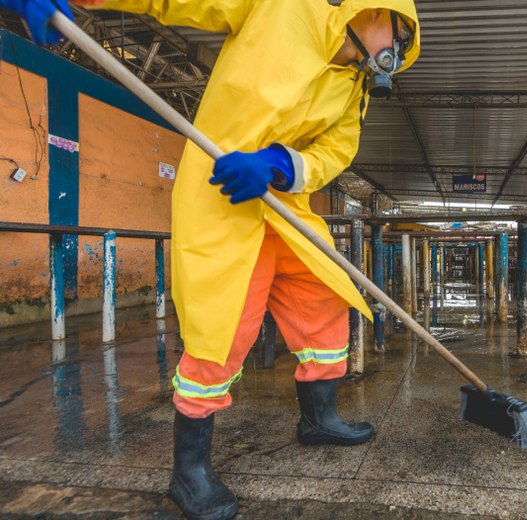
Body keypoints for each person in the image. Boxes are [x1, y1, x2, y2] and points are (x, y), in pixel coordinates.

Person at [1, 0, 420, 518]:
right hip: (223, 198)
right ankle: (190, 472)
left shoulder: (354, 90)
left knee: (326, 303)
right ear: (371, 7)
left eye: (405, 46)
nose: (397, 51)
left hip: (283, 206)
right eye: (399, 34)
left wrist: (280, 165)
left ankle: (319, 419)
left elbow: (336, 151)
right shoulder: (280, 10)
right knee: (221, 330)